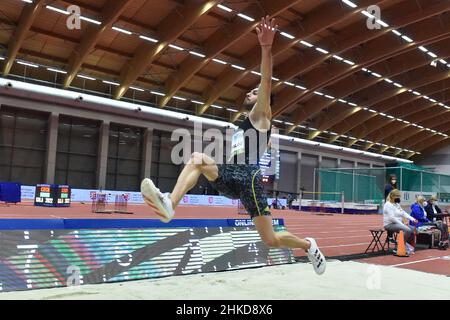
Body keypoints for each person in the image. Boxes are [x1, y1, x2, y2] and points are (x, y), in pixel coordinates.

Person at [140, 16, 326, 275]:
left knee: (270, 240)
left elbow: (267, 79)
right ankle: (170, 204)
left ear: (262, 99)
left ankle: (307, 245)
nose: (249, 93)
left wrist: (265, 48)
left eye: (253, 92)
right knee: (196, 158)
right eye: (251, 92)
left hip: (249, 180)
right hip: (230, 174)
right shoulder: (243, 125)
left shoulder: (261, 115)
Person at [383, 189, 417, 254]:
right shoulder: (388, 204)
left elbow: (403, 213)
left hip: (398, 223)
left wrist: (412, 219)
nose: (399, 198)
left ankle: (408, 247)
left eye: (399, 196)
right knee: (407, 230)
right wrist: (402, 224)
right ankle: (399, 247)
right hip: (389, 224)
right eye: (397, 196)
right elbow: (392, 218)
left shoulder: (397, 204)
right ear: (392, 196)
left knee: (413, 229)